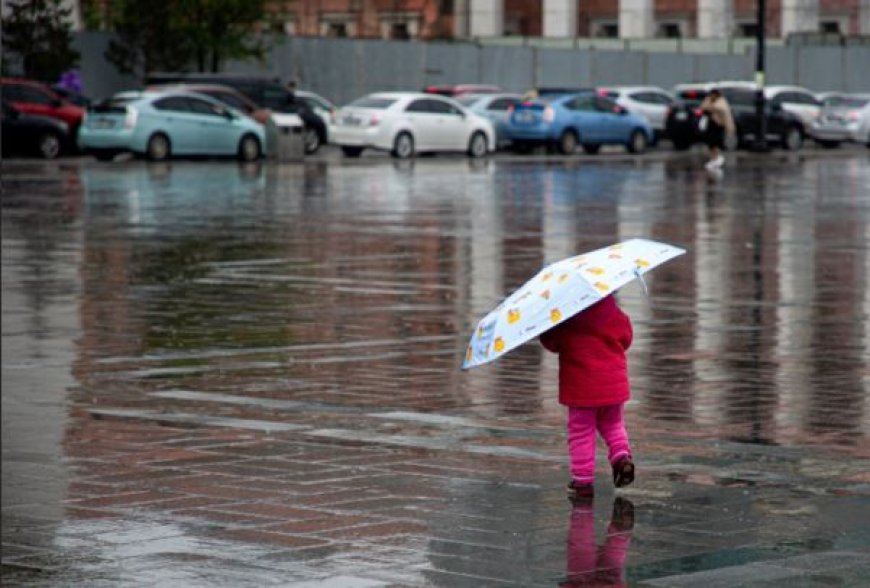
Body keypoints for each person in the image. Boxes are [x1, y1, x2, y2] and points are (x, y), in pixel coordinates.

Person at [540, 295, 635, 504]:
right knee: (613, 424)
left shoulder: (567, 317)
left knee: (581, 432)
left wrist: (545, 325)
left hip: (581, 388)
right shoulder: (615, 314)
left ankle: (582, 482)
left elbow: (552, 342)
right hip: (613, 385)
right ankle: (622, 458)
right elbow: (626, 337)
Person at [699, 88, 735, 170]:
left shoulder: (721, 102)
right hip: (710, 124)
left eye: (714, 95)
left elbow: (723, 112)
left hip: (719, 125)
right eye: (711, 95)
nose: (712, 96)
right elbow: (703, 107)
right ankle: (713, 159)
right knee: (710, 143)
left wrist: (729, 128)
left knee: (716, 142)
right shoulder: (708, 101)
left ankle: (717, 158)